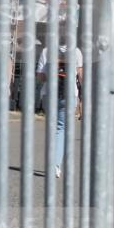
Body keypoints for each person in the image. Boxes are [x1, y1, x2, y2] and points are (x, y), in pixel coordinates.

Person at [37, 42, 83, 178]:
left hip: (49, 94)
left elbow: (40, 77)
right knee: (61, 129)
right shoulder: (76, 51)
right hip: (69, 95)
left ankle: (53, 162)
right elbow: (81, 76)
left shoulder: (46, 50)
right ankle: (55, 165)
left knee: (52, 129)